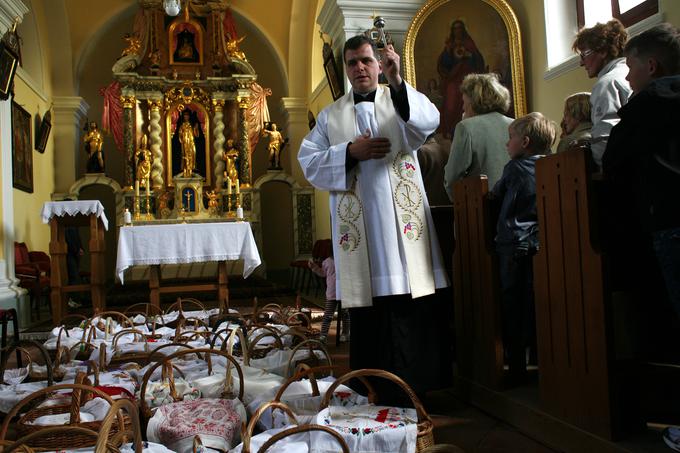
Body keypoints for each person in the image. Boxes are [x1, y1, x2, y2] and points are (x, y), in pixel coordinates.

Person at [298, 35, 451, 399]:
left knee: (408, 301)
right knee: (370, 310)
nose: (359, 68)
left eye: (366, 60)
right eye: (352, 62)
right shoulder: (330, 116)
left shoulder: (399, 100)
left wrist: (398, 82)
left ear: (379, 64)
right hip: (361, 235)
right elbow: (308, 162)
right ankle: (372, 385)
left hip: (402, 231)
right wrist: (351, 151)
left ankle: (416, 387)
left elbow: (428, 121)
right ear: (347, 68)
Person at [602, 23, 680, 320]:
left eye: (630, 66)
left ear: (651, 66)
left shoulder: (645, 107)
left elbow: (614, 164)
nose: (628, 75)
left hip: (668, 219)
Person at [489, 112, 556, 384]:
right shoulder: (551, 166)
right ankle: (540, 360)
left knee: (511, 304)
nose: (507, 145)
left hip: (513, 242)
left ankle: (515, 364)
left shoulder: (514, 168)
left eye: (510, 139)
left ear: (525, 142)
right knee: (533, 301)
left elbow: (496, 194)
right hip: (539, 242)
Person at [443, 73, 513, 201]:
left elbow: (452, 177)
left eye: (464, 102)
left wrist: (459, 204)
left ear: (474, 101)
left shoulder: (466, 127)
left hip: (482, 208)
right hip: (514, 207)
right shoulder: (515, 124)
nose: (463, 107)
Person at [572, 19, 631, 169]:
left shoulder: (607, 83)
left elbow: (604, 138)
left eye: (584, 54)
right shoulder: (630, 72)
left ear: (603, 51)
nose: (581, 63)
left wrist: (603, 175)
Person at [437, 19, 486, 138]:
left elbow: (479, 61)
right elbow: (443, 65)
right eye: (455, 29)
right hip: (454, 79)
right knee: (450, 105)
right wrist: (448, 53)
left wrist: (470, 56)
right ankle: (450, 131)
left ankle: (471, 133)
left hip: (469, 79)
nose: (457, 31)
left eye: (459, 28)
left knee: (470, 104)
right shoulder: (449, 44)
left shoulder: (469, 43)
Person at [308, 250, 349, 344]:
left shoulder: (345, 259)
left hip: (343, 292)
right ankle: (323, 335)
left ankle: (346, 333)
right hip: (332, 293)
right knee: (328, 315)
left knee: (345, 314)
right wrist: (314, 267)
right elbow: (323, 273)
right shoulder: (327, 261)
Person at [177, 110, 198, 177]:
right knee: (185, 155)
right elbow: (180, 135)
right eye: (185, 116)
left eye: (187, 116)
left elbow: (196, 135)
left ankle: (192, 167)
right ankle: (185, 168)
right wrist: (182, 135)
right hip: (185, 142)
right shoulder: (182, 125)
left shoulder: (191, 125)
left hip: (191, 142)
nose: (186, 117)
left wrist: (195, 129)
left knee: (193, 152)